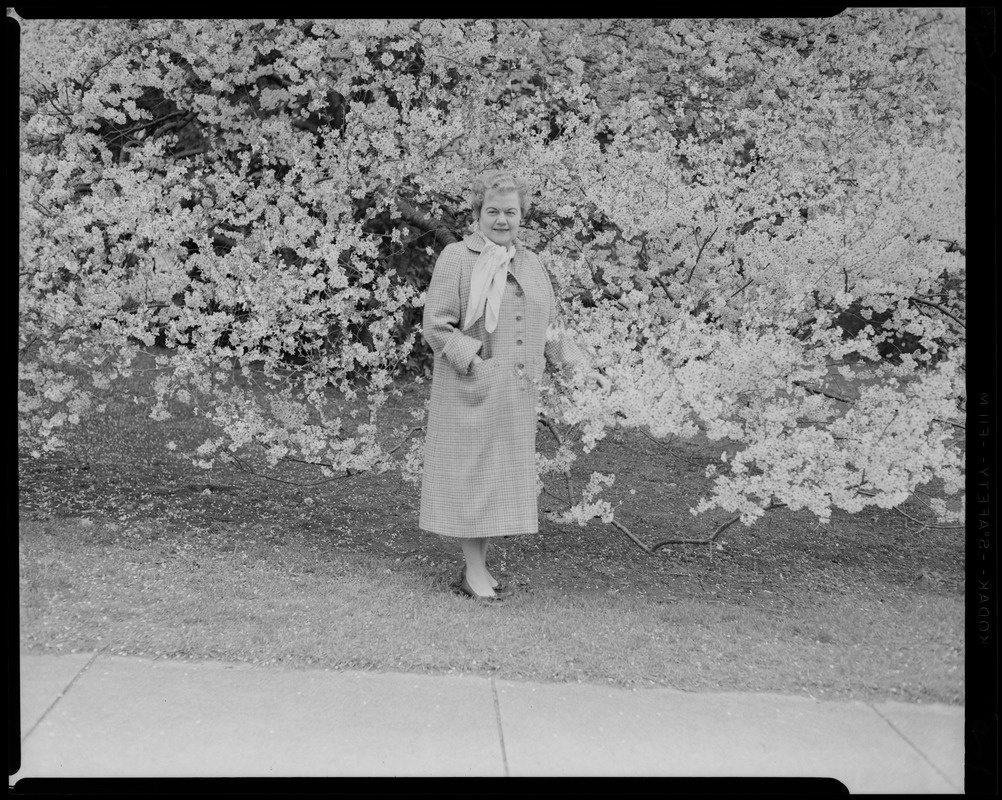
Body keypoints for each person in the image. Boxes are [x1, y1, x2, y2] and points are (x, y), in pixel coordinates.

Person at [419, 170, 608, 600]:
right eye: (492, 211)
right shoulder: (457, 257)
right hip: (472, 390)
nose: (501, 220)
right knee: (471, 478)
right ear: (477, 214)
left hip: (516, 396)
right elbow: (436, 325)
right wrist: (477, 364)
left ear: (522, 216)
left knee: (492, 482)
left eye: (511, 212)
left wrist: (580, 370)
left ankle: (477, 570)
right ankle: (473, 573)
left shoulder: (531, 262)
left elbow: (549, 328)